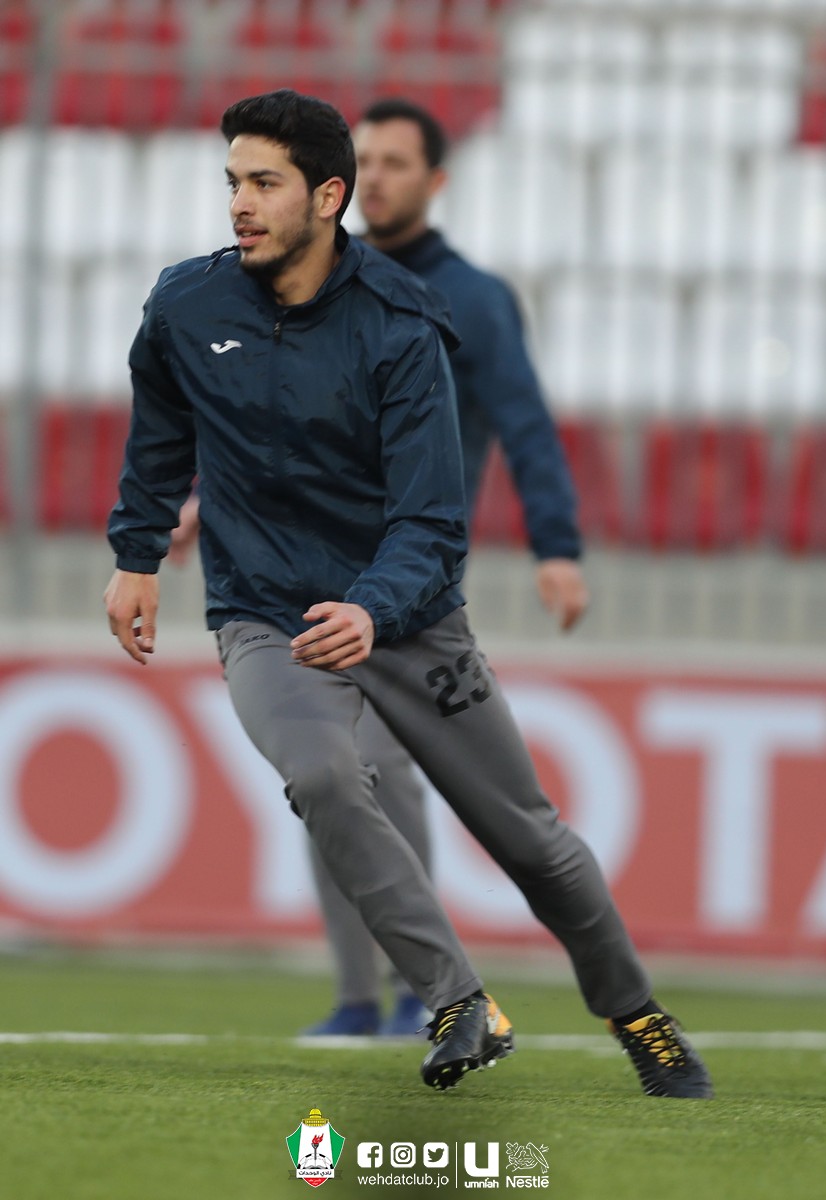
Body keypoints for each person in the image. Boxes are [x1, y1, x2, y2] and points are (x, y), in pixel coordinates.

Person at [105, 88, 713, 1099]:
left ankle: (636, 1012)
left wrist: (374, 609)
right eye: (233, 181)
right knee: (323, 777)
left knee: (531, 842)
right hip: (265, 616)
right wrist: (134, 554)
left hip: (408, 621)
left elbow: (432, 520)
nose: (239, 204)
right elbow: (160, 435)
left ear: (326, 196)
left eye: (264, 183)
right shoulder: (185, 305)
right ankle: (455, 999)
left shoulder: (402, 324)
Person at [168, 98, 591, 1039]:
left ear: (434, 181)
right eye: (373, 160)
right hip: (298, 583)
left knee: (367, 779)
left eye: (400, 163)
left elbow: (523, 422)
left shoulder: (467, 300)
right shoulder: (297, 287)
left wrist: (556, 545)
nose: (383, 178)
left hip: (402, 594)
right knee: (332, 781)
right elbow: (264, 422)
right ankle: (365, 994)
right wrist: (204, 496)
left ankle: (412, 994)